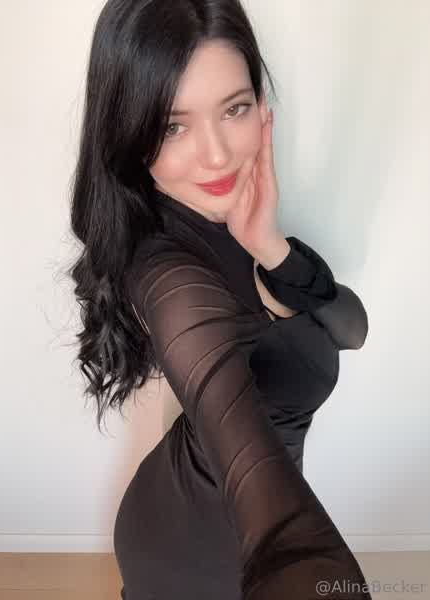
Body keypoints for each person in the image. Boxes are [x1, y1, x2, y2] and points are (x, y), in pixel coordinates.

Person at [68, 1, 371, 598]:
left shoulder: (240, 222)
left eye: (234, 109)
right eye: (171, 126)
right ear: (127, 135)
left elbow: (352, 328)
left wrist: (271, 248)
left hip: (180, 505)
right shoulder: (166, 273)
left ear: (262, 107)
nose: (216, 156)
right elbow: (270, 507)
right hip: (195, 559)